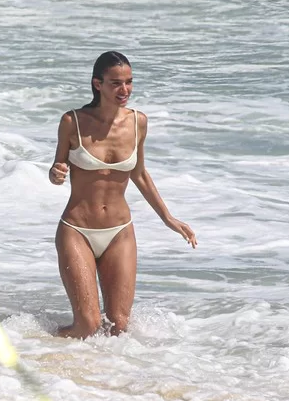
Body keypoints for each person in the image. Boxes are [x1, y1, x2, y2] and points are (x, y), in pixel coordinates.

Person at [49, 51, 196, 338]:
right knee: (87, 326)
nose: (124, 90)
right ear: (97, 84)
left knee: (118, 326)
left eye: (129, 82)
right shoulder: (73, 122)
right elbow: (57, 170)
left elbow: (139, 173)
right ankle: (40, 345)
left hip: (120, 231)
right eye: (115, 83)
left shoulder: (138, 122)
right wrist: (55, 174)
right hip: (77, 230)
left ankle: (103, 378)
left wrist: (168, 218)